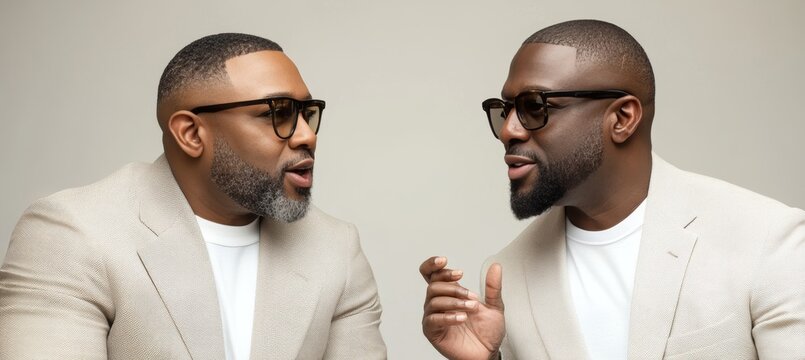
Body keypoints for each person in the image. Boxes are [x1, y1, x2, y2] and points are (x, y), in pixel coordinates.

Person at [420, 19, 805, 359]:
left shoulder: (769, 241)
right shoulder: (508, 275)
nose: (508, 130)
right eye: (505, 110)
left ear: (622, 118)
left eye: (534, 106)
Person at [0, 33, 386, 359]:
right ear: (190, 134)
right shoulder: (72, 235)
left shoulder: (336, 248)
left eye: (307, 113)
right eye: (278, 113)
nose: (307, 135)